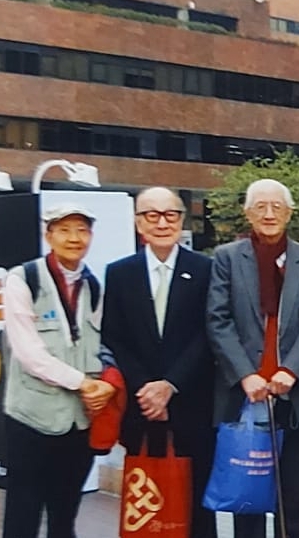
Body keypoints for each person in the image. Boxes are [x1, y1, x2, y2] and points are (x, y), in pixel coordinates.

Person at [206, 179, 299, 538]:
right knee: (247, 500)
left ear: (289, 213)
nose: (269, 213)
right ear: (247, 212)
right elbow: (218, 320)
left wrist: (291, 369)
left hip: (295, 398)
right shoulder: (228, 258)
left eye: (277, 206)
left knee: (291, 502)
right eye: (260, 206)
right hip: (244, 397)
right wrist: (245, 374)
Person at [101, 187, 216, 538]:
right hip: (142, 408)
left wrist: (170, 385)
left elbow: (208, 334)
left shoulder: (206, 269)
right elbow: (114, 336)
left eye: (170, 215)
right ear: (139, 222)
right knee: (146, 506)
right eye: (151, 215)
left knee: (196, 509)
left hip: (192, 406)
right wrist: (147, 390)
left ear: (182, 220)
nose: (162, 222)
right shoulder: (120, 272)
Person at [1, 203, 116, 538]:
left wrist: (105, 384)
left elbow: (103, 345)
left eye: (82, 230)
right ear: (48, 234)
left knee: (65, 515)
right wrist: (83, 383)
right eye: (64, 229)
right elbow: (28, 353)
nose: (74, 238)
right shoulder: (23, 280)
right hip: (31, 418)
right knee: (23, 514)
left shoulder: (93, 286)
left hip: (79, 421)